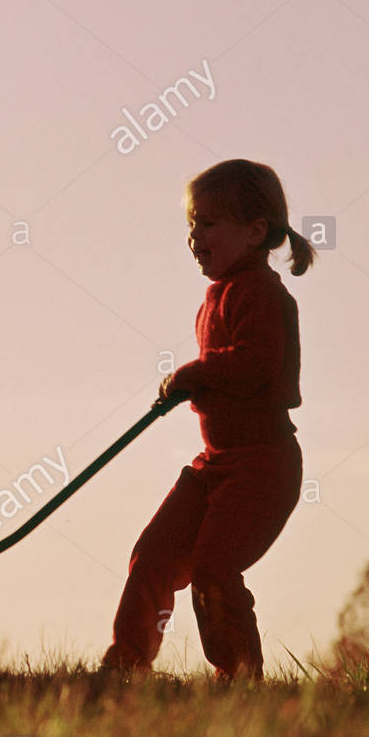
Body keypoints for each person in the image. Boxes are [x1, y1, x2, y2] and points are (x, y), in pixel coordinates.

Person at [100, 160, 316, 681]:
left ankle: (239, 679)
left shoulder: (261, 292)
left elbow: (256, 362)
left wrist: (198, 373)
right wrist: (196, 383)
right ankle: (127, 666)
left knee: (214, 570)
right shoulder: (218, 294)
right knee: (152, 556)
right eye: (191, 224)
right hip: (215, 464)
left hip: (261, 466)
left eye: (208, 224)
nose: (195, 236)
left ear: (255, 231)